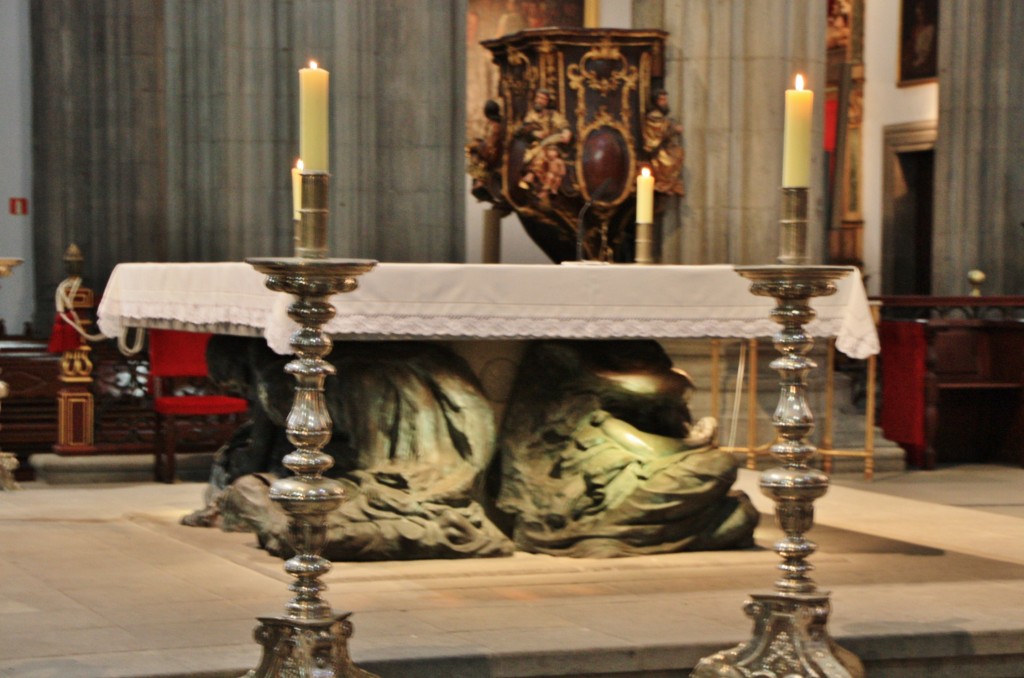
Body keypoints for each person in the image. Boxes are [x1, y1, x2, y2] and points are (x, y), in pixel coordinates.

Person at [516, 88, 572, 192]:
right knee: (536, 153)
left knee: (549, 154)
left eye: (543, 99)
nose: (540, 100)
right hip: (535, 144)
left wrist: (566, 131)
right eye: (538, 98)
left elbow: (562, 124)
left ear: (546, 102)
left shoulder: (552, 114)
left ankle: (533, 176)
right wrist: (534, 133)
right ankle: (532, 176)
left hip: (551, 144)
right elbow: (524, 130)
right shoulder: (531, 115)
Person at [643, 89, 685, 196]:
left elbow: (664, 125)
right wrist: (674, 129)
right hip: (657, 151)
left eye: (665, 99)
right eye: (662, 100)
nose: (665, 102)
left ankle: (668, 183)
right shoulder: (654, 115)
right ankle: (664, 183)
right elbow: (659, 132)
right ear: (655, 101)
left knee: (678, 153)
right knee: (672, 157)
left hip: (662, 147)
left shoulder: (659, 116)